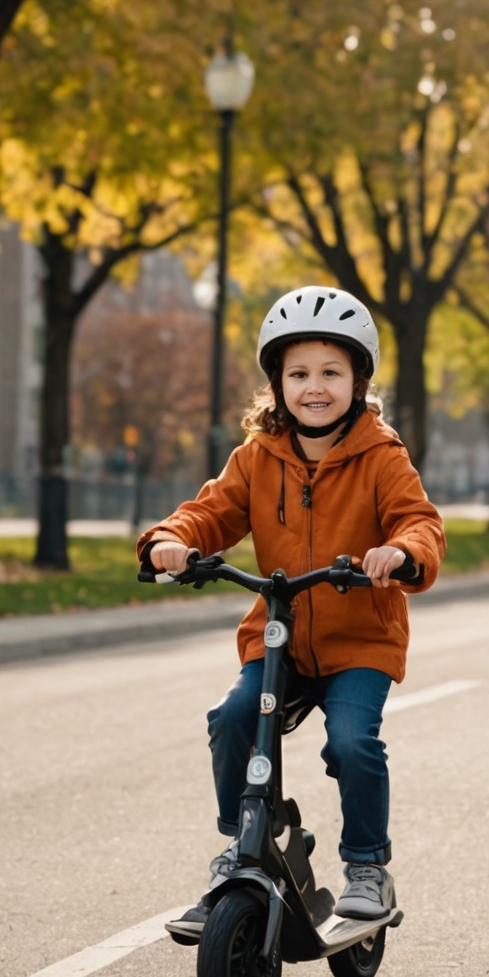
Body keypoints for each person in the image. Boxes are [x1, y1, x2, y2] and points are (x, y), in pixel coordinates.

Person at [140, 287, 446, 938]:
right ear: (277, 383)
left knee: (352, 743)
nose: (315, 387)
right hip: (279, 641)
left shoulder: (381, 455)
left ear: (358, 381)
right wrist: (173, 541)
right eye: (299, 373)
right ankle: (245, 846)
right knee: (231, 719)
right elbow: (211, 512)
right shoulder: (257, 457)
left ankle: (367, 868)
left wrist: (401, 551)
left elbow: (419, 521)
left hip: (359, 641)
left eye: (331, 373)